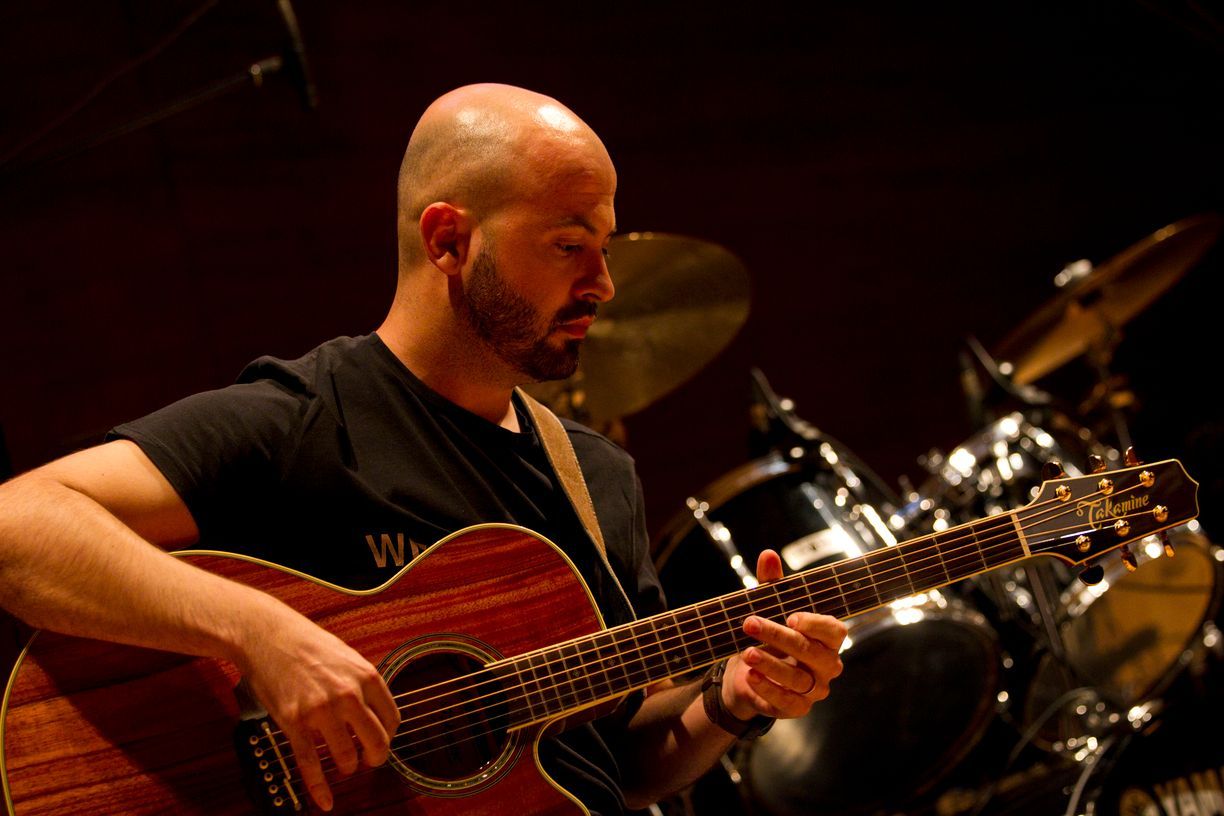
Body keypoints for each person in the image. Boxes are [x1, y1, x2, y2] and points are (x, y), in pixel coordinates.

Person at [0, 83, 846, 814]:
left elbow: (616, 764)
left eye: (605, 244)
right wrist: (259, 631)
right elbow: (18, 524)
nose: (605, 283)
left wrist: (729, 704)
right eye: (568, 244)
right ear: (448, 240)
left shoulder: (596, 479)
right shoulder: (308, 418)